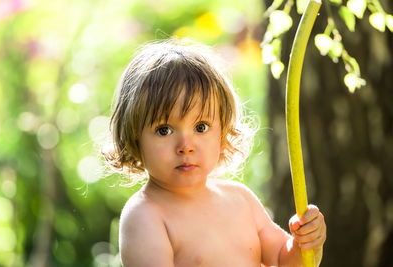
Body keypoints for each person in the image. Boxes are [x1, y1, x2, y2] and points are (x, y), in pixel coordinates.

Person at [103, 38, 326, 267]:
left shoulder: (240, 199)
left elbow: (283, 260)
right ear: (133, 137)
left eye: (201, 127)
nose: (185, 145)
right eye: (164, 130)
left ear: (223, 132)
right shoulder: (146, 217)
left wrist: (305, 244)